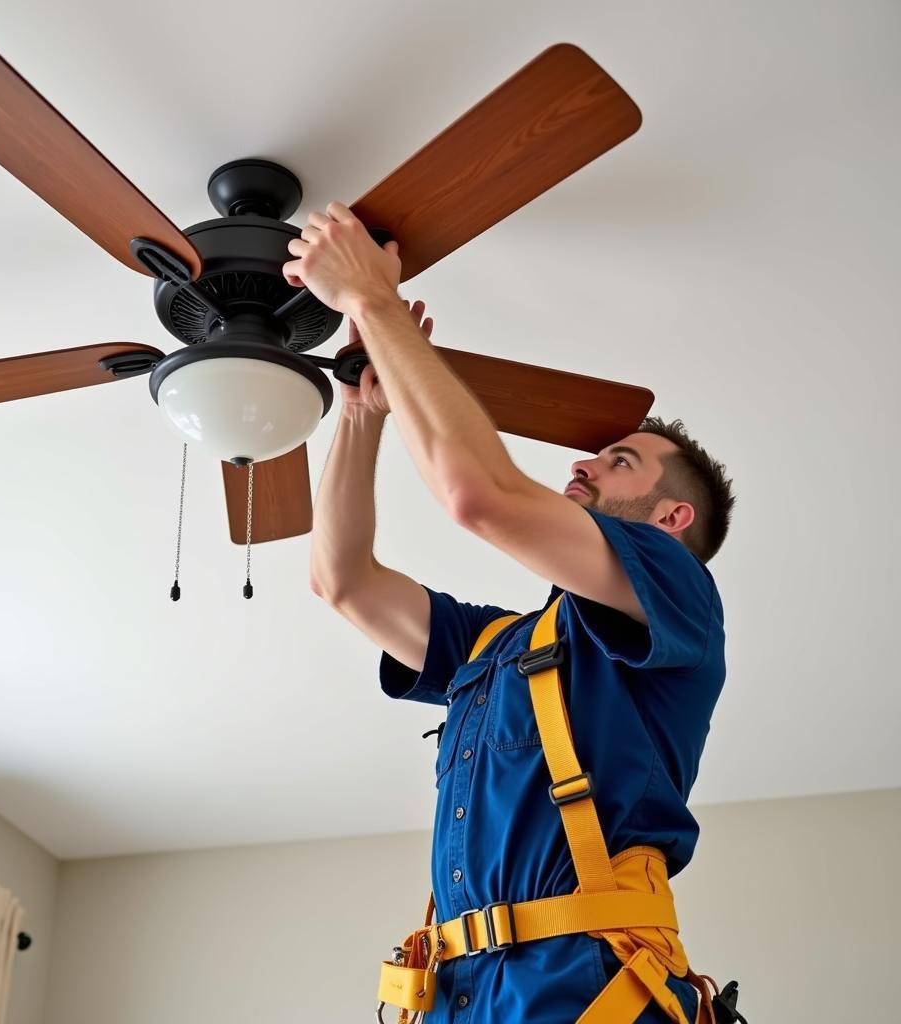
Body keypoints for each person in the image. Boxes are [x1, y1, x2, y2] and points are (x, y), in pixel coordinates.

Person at [289, 203, 736, 1023]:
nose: (585, 464)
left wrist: (375, 304)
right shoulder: (498, 645)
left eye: (620, 461)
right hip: (456, 994)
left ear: (674, 521)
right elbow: (342, 580)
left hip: (584, 988)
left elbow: (479, 498)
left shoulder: (678, 592)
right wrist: (360, 413)